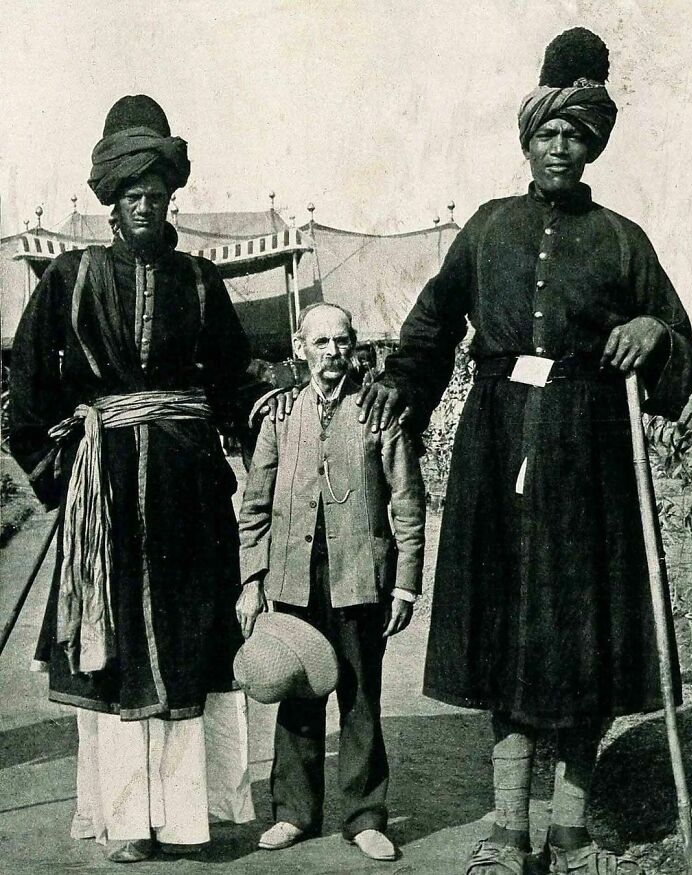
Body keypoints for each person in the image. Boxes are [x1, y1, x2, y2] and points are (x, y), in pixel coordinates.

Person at [353, 28, 692, 875]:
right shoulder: (488, 229)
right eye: (547, 133)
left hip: (590, 455)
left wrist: (653, 332)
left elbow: (682, 343)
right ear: (528, 137)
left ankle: (571, 831)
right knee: (505, 634)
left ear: (591, 147)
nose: (559, 148)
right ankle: (508, 831)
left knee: (582, 640)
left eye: (575, 137)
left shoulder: (622, 238)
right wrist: (402, 380)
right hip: (496, 440)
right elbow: (433, 324)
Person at [9, 95, 254, 862]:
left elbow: (236, 382)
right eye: (132, 195)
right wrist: (62, 461)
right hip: (105, 488)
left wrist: (272, 431)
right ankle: (126, 821)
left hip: (188, 486)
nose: (147, 205)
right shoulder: (71, 279)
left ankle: (186, 818)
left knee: (187, 644)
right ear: (110, 202)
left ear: (173, 197)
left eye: (158, 193)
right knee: (111, 647)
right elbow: (27, 386)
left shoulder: (202, 281)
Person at [236, 302, 426, 862]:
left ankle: (365, 817)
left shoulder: (378, 414)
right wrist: (253, 578)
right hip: (293, 580)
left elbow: (409, 505)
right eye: (320, 344)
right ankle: (294, 812)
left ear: (355, 347)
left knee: (361, 696)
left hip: (359, 579)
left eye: (341, 343)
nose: (332, 355)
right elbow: (255, 506)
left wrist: (405, 585)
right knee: (296, 692)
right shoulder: (276, 416)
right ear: (300, 349)